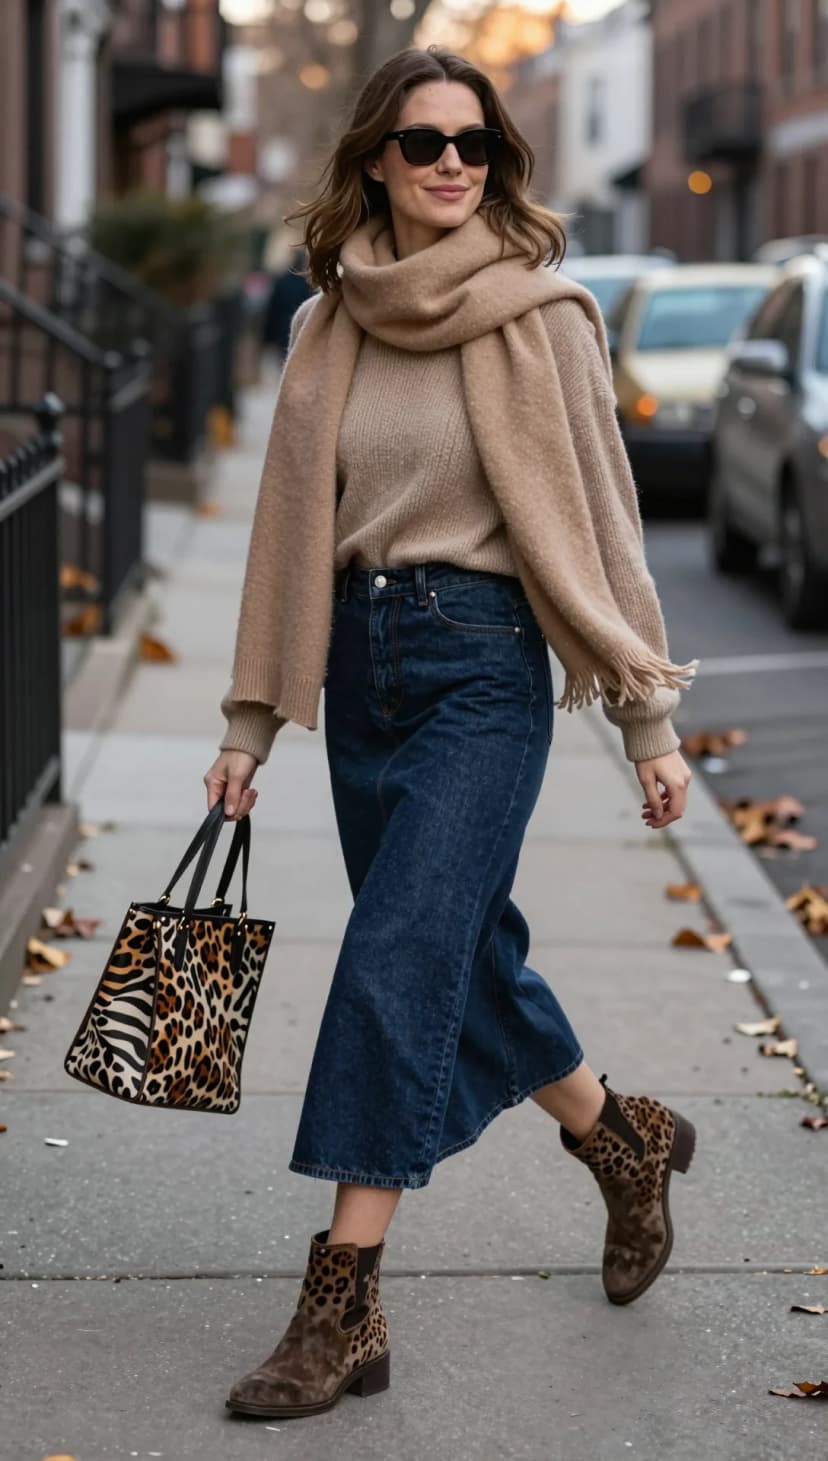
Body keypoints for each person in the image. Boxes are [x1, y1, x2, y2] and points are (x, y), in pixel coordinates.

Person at [203, 44, 699, 1422]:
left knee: (397, 955)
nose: (449, 165)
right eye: (422, 142)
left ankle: (341, 1301)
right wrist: (251, 721)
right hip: (363, 668)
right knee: (458, 955)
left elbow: (605, 524)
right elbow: (287, 532)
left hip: (483, 668)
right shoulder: (329, 324)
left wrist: (649, 722)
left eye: (472, 144)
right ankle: (623, 1139)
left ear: (498, 160)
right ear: (376, 158)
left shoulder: (543, 315)